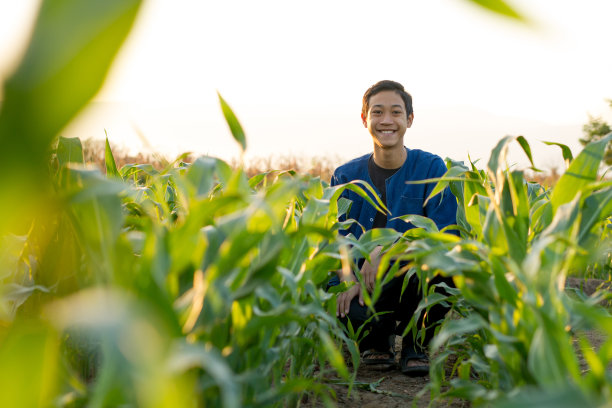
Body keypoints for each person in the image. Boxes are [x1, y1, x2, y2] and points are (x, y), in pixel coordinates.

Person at [329, 80, 458, 376]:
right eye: (377, 112)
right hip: (364, 285)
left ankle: (417, 343)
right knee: (342, 303)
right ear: (365, 120)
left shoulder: (431, 168)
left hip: (413, 279)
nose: (386, 121)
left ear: (409, 120)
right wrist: (348, 280)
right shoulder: (345, 175)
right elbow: (337, 240)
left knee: (448, 272)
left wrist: (388, 249)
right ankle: (377, 342)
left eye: (396, 112)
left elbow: (445, 236)